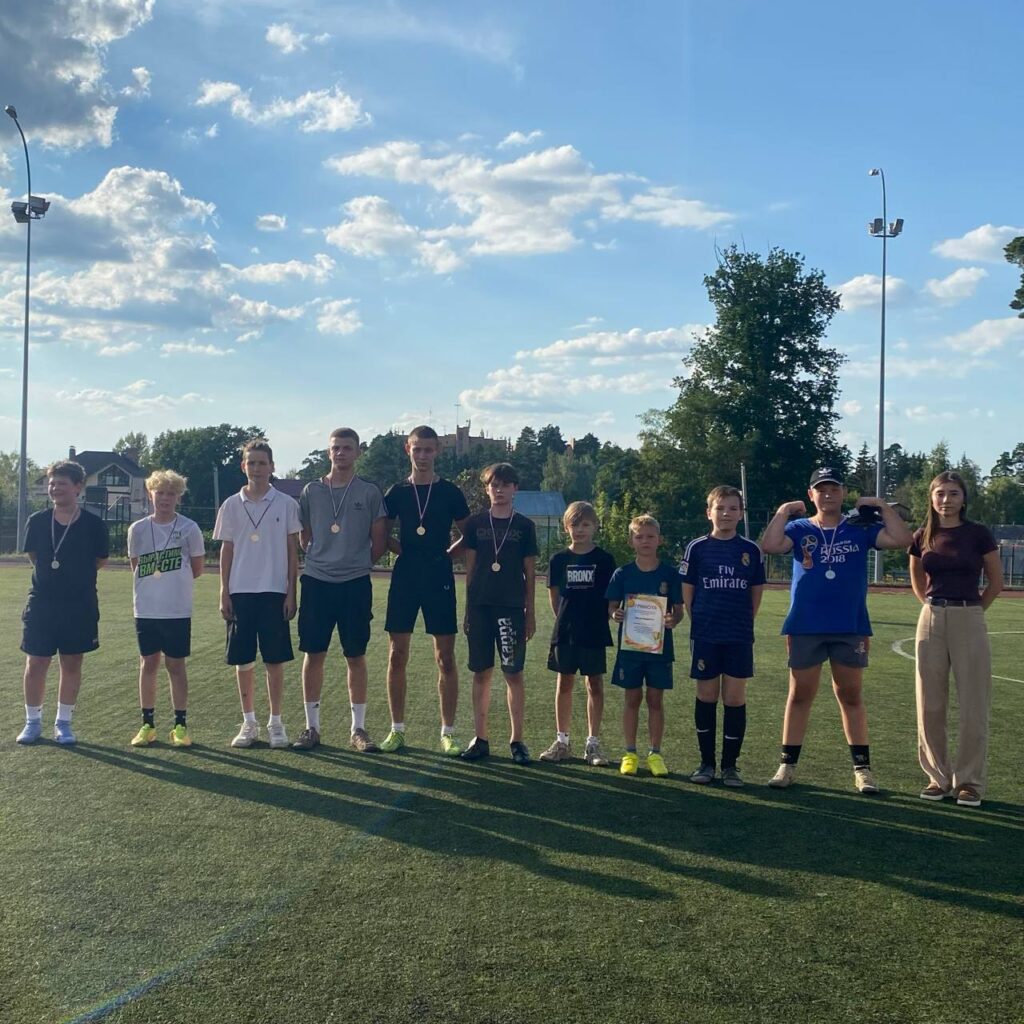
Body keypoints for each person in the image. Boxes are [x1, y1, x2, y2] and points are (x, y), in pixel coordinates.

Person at [760, 465, 913, 793]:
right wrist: (783, 511)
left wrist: (881, 506)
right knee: (800, 694)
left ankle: (862, 770)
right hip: (805, 624)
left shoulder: (860, 527)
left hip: (849, 624)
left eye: (834, 488)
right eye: (821, 489)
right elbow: (770, 545)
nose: (828, 494)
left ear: (843, 493)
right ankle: (787, 765)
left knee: (850, 695)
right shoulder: (799, 527)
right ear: (810, 494)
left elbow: (903, 539)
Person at [909, 471, 1003, 807]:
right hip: (931, 617)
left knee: (973, 703)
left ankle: (969, 782)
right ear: (931, 498)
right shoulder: (922, 534)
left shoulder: (978, 534)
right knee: (929, 703)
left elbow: (995, 581)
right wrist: (932, 608)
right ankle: (938, 778)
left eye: (953, 493)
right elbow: (917, 578)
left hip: (969, 616)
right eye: (940, 493)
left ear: (963, 499)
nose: (946, 500)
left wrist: (972, 611)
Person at [292, 428, 387, 752]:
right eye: (336, 448)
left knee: (355, 655)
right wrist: (324, 558)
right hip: (317, 582)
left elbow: (379, 541)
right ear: (328, 452)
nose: (341, 453)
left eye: (348, 448)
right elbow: (303, 537)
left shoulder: (369, 492)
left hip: (355, 584)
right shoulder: (311, 491)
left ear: (358, 452)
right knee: (313, 653)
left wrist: (355, 564)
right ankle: (312, 728)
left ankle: (358, 729)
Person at [379, 426, 469, 755]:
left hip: (439, 575)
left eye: (428, 450)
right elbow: (382, 533)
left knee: (445, 657)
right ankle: (397, 729)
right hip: (405, 575)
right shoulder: (397, 492)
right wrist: (400, 550)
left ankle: (448, 732)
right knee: (396, 654)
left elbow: (469, 533)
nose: (423, 455)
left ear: (437, 451)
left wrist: (447, 555)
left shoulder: (449, 492)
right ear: (408, 449)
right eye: (417, 449)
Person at [213, 439, 300, 749]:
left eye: (262, 463)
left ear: (272, 466)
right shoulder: (230, 505)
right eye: (251, 463)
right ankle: (249, 722)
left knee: (274, 660)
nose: (257, 468)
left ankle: (276, 723)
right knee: (244, 660)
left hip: (274, 592)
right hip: (240, 593)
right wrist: (224, 591)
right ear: (243, 466)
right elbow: (227, 549)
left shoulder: (286, 504)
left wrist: (291, 592)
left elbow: (292, 551)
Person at [16, 460, 109, 745]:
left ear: (78, 487)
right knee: (36, 661)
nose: (55, 488)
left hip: (79, 604)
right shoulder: (37, 521)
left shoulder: (94, 524)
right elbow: (34, 557)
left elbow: (99, 560)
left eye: (62, 483)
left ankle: (63, 723)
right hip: (42, 603)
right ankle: (32, 722)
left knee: (71, 662)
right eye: (52, 483)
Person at [680, 486, 765, 787]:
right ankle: (706, 763)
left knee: (734, 698)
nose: (726, 513)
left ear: (741, 514)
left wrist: (743, 622)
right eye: (720, 508)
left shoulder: (751, 550)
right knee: (706, 696)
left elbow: (755, 594)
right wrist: (700, 621)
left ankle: (730, 766)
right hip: (706, 634)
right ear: (709, 513)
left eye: (733, 508)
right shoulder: (696, 548)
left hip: (738, 635)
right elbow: (688, 592)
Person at [459, 463, 538, 765]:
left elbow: (530, 573)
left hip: (511, 609)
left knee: (513, 673)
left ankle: (517, 740)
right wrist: (467, 609)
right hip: (480, 607)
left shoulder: (525, 526)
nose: (499, 490)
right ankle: (480, 739)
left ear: (515, 488)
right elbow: (470, 570)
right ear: (487, 488)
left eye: (505, 484)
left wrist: (530, 613)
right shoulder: (475, 524)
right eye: (494, 485)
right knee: (481, 672)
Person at [127, 470, 205, 747]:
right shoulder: (137, 530)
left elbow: (197, 568)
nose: (165, 498)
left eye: (171, 493)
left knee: (176, 665)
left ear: (178, 497)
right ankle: (147, 725)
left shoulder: (189, 528)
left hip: (176, 610)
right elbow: (136, 566)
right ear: (151, 494)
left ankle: (180, 726)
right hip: (146, 609)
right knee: (148, 663)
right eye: (160, 492)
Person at [605, 515, 683, 777]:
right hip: (631, 648)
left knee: (655, 699)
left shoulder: (670, 574)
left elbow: (678, 610)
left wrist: (673, 619)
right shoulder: (622, 573)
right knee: (632, 698)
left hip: (659, 648)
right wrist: (615, 614)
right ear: (631, 541)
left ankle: (655, 753)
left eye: (650, 536)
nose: (645, 541)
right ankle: (630, 753)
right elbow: (612, 607)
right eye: (639, 537)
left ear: (659, 540)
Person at [538, 501, 615, 766]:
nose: (580, 530)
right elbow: (554, 598)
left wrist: (603, 617)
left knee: (594, 684)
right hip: (566, 632)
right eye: (574, 525)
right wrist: (566, 620)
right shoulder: (558, 560)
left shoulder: (605, 560)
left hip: (594, 630)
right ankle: (562, 742)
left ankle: (593, 744)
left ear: (595, 526)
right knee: (564, 683)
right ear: (566, 527)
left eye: (585, 524)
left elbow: (611, 597)